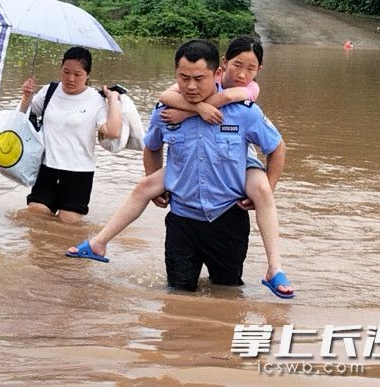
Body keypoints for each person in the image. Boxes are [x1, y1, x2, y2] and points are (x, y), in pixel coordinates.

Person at [66, 37, 294, 298]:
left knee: (228, 297)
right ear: (176, 75)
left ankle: (274, 268)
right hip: (182, 222)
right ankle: (98, 244)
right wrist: (155, 182)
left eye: (199, 78)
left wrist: (270, 185)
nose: (191, 86)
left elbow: (276, 147)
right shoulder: (166, 110)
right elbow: (151, 147)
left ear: (217, 74)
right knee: (177, 297)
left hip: (228, 220)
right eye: (183, 78)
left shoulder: (245, 111)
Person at [18, 46, 123, 224]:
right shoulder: (49, 91)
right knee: (35, 219)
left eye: (77, 74)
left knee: (69, 226)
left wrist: (112, 100)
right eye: (66, 72)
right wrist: (26, 97)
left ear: (87, 75)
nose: (70, 79)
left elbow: (113, 131)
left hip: (79, 173)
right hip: (47, 167)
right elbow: (22, 119)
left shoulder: (96, 100)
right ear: (61, 69)